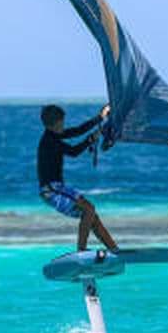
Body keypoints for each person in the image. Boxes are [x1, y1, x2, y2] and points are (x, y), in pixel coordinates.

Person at [37, 103, 119, 252]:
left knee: (92, 216)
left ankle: (114, 250)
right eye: (62, 123)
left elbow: (77, 131)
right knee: (89, 209)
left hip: (56, 188)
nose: (64, 125)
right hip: (51, 190)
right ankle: (81, 251)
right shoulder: (50, 141)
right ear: (54, 124)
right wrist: (91, 138)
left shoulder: (54, 134)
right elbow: (74, 152)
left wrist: (99, 118)